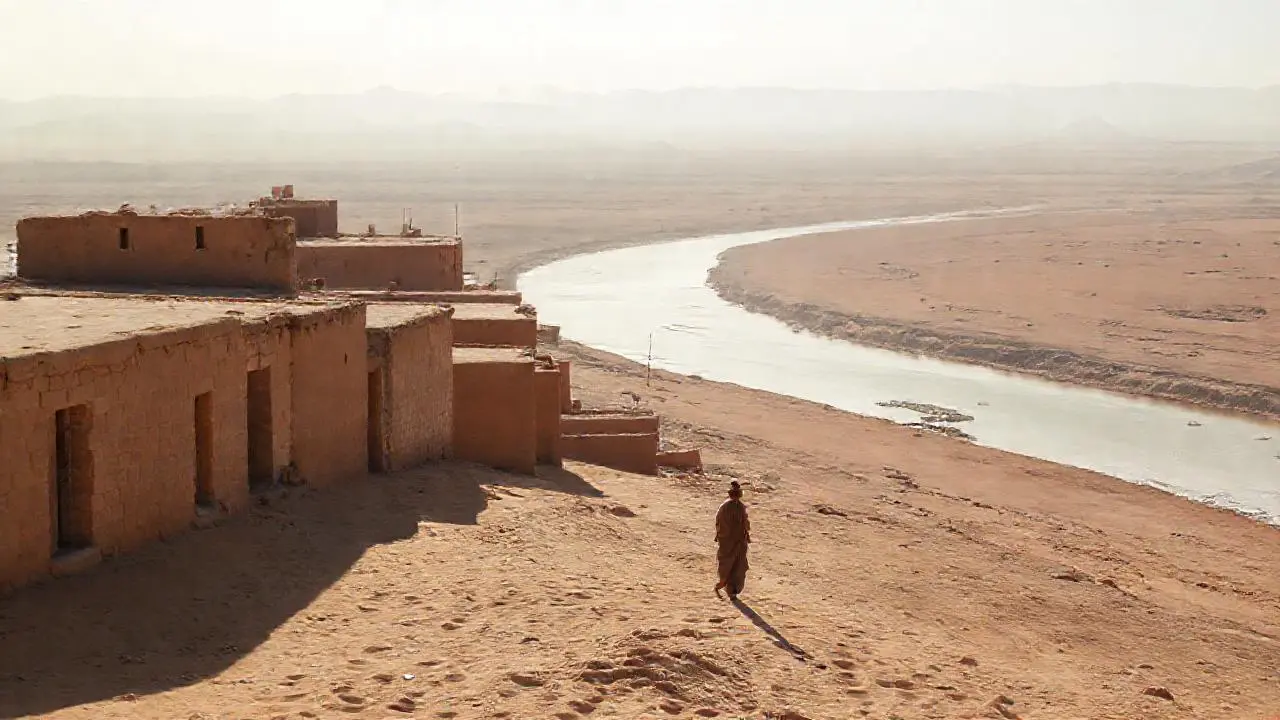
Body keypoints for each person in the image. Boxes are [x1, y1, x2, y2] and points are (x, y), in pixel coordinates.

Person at [714, 481, 751, 599]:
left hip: (740, 542)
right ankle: (722, 586)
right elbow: (720, 524)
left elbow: (745, 523)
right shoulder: (724, 507)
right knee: (726, 565)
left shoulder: (741, 507)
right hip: (728, 542)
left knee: (739, 566)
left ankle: (733, 590)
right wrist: (727, 536)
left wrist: (745, 535)